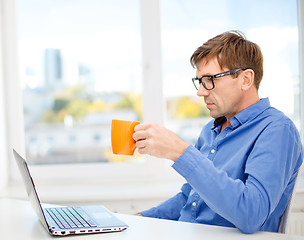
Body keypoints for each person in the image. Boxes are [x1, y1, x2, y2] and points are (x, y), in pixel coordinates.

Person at [132, 30, 303, 234]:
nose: (201, 91)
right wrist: (138, 219)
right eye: (200, 81)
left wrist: (180, 152)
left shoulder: (276, 130)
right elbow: (191, 199)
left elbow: (252, 214)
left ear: (246, 80)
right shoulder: (211, 130)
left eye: (210, 79)